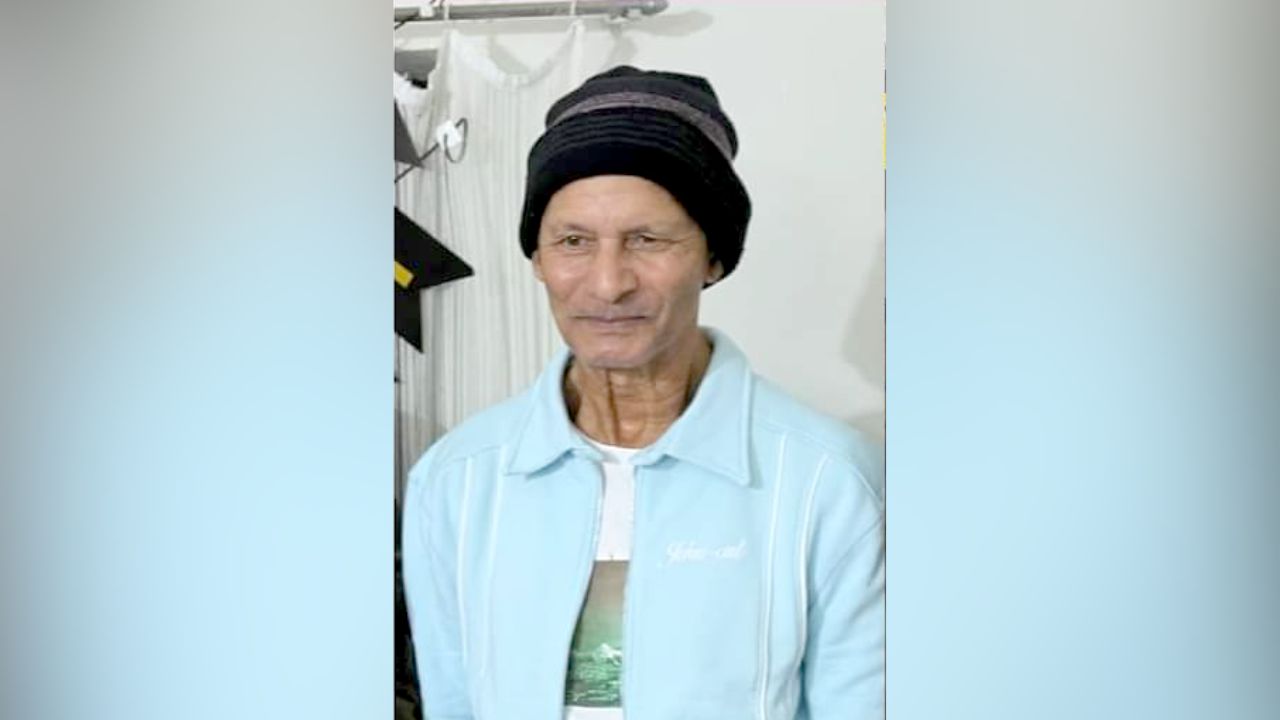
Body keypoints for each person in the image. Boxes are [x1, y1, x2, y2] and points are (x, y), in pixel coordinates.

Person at [401, 66, 884, 720]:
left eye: (647, 240)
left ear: (713, 257)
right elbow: (453, 702)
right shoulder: (456, 481)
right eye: (573, 241)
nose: (608, 283)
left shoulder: (830, 481)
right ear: (538, 260)